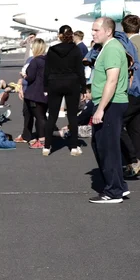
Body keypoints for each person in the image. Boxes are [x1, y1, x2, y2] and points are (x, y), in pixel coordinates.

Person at [89, 17, 129, 204]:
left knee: (107, 148)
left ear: (108, 31)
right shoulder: (107, 48)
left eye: (97, 30)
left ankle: (114, 192)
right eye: (93, 30)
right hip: (108, 103)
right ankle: (118, 186)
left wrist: (101, 109)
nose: (93, 33)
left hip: (111, 104)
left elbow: (112, 80)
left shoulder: (112, 49)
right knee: (102, 145)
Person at [43, 25, 87, 156]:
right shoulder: (76, 50)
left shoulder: (52, 50)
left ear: (60, 35)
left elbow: (47, 70)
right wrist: (83, 87)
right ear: (72, 35)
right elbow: (80, 70)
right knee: (72, 116)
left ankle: (47, 146)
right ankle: (74, 147)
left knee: (52, 116)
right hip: (72, 83)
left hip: (54, 83)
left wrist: (45, 86)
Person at [121, 14, 140, 177]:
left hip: (133, 90)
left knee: (118, 124)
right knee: (135, 128)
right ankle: (136, 163)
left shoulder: (129, 45)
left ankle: (132, 159)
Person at [23, 39, 49, 149]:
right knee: (42, 116)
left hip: (35, 93)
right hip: (46, 92)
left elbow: (31, 77)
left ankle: (42, 140)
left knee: (39, 117)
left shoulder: (35, 61)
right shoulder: (48, 60)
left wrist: (25, 76)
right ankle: (44, 137)